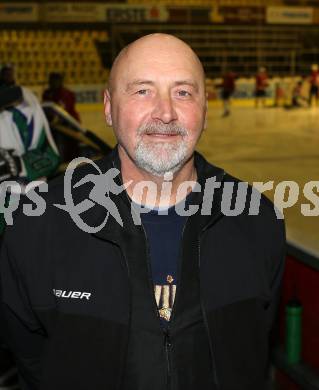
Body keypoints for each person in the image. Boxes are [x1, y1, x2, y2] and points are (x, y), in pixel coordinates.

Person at [0, 34, 285, 390]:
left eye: (183, 92)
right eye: (142, 91)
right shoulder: (38, 222)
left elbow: (251, 349)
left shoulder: (257, 221)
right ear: (107, 107)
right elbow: (32, 355)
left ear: (205, 109)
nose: (165, 112)